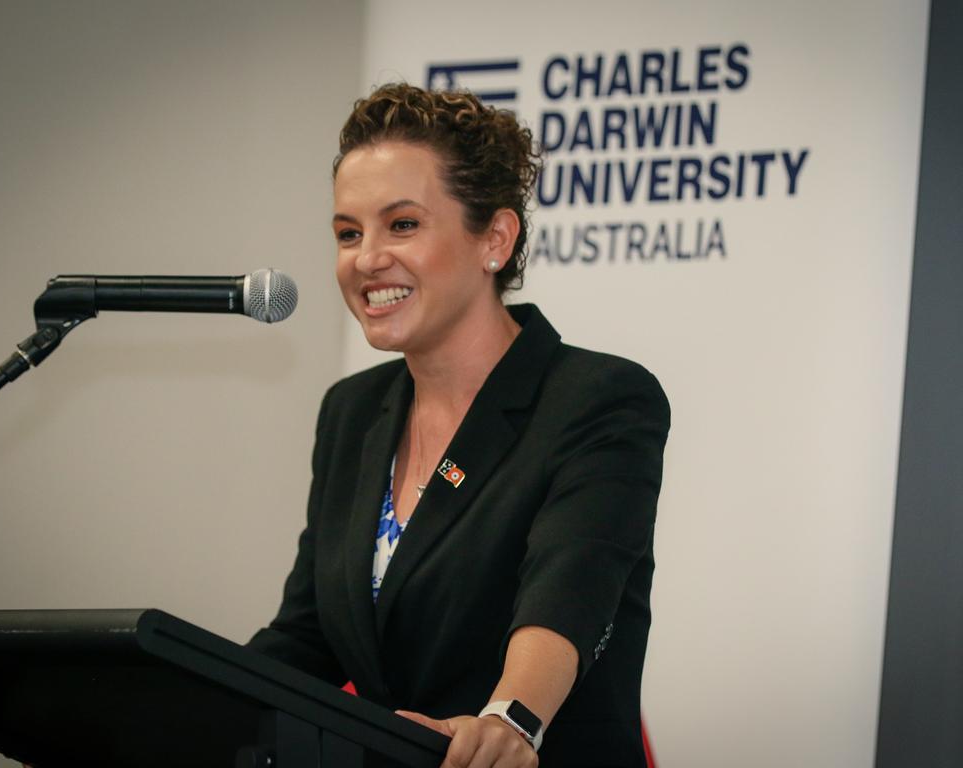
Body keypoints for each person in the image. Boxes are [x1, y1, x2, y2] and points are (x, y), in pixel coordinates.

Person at [248, 83, 670, 767]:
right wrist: (168, 722)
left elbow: (569, 592)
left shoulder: (598, 400)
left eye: (403, 225)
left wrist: (510, 719)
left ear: (494, 240)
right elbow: (307, 638)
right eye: (348, 233)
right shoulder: (350, 412)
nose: (366, 258)